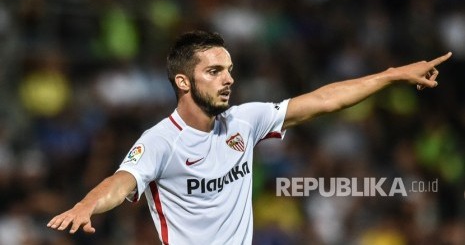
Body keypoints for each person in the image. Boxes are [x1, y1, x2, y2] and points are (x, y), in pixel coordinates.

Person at [47, 30, 451, 244]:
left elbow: (325, 100)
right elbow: (121, 182)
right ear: (183, 82)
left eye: (229, 69)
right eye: (215, 72)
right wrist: (86, 205)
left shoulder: (245, 120)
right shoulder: (160, 141)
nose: (229, 79)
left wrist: (391, 75)